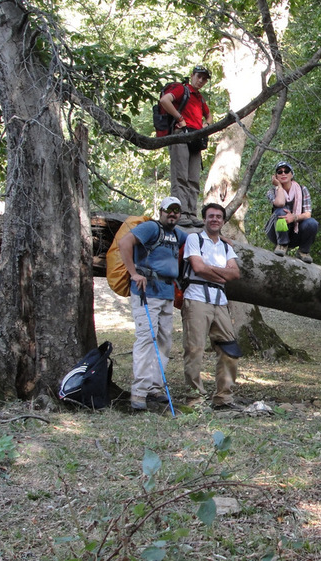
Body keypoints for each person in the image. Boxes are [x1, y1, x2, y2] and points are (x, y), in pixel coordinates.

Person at [118, 196, 188, 411]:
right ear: (161, 211)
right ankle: (138, 392)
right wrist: (133, 273)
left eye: (177, 211)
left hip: (167, 293)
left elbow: (197, 239)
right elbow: (124, 243)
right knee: (146, 338)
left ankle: (154, 388)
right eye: (169, 210)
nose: (173, 214)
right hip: (146, 292)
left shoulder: (177, 233)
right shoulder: (150, 228)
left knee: (164, 340)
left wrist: (225, 241)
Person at [181, 203, 244, 411]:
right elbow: (197, 268)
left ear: (223, 221)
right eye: (210, 216)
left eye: (218, 216)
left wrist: (211, 270)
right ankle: (195, 399)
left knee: (229, 349)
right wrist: (221, 273)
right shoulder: (194, 239)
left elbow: (235, 274)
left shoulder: (226, 247)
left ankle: (223, 398)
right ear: (204, 219)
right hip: (197, 298)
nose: (215, 219)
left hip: (220, 301)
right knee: (194, 349)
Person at [159, 65, 213, 227]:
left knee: (193, 177)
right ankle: (179, 213)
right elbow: (165, 100)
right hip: (181, 135)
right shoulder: (183, 90)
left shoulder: (200, 97)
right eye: (199, 77)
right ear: (192, 76)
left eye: (204, 79)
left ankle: (190, 213)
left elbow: (209, 114)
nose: (201, 81)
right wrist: (179, 118)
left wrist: (206, 125)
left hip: (196, 138)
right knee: (180, 175)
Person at [264, 161, 319, 264]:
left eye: (286, 171)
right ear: (275, 176)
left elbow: (308, 214)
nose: (283, 174)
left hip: (296, 231)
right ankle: (282, 244)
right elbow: (280, 203)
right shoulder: (272, 191)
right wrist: (279, 186)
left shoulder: (302, 190)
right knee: (281, 211)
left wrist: (294, 217)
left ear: (291, 174)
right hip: (276, 232)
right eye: (279, 172)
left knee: (312, 223)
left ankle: (303, 252)